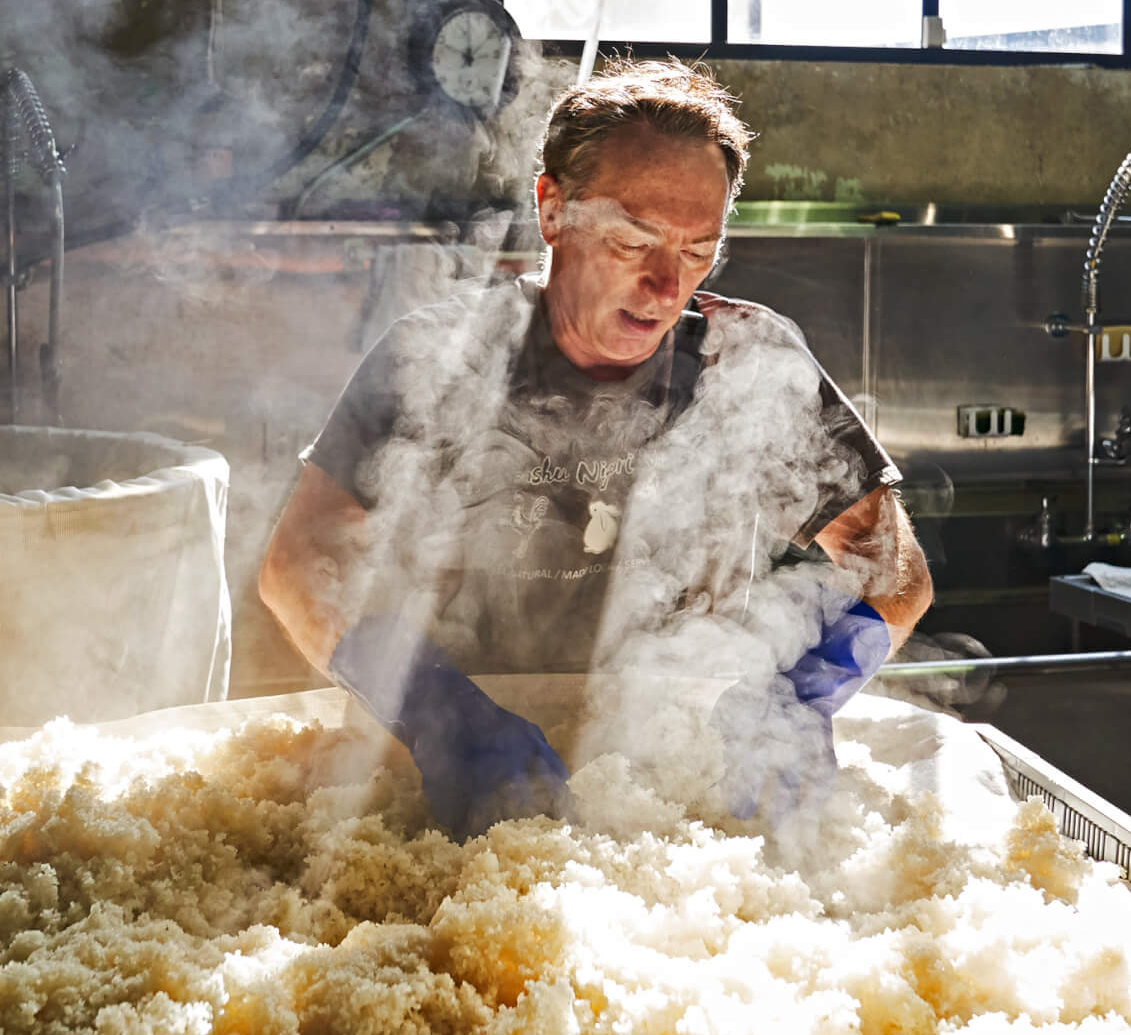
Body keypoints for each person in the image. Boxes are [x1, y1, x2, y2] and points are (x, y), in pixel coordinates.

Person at [258, 61, 931, 839]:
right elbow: (298, 567)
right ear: (551, 209)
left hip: (672, 789)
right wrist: (440, 713)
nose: (662, 284)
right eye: (630, 239)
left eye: (696, 250)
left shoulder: (747, 360)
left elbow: (896, 578)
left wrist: (799, 696)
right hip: (440, 783)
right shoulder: (440, 353)